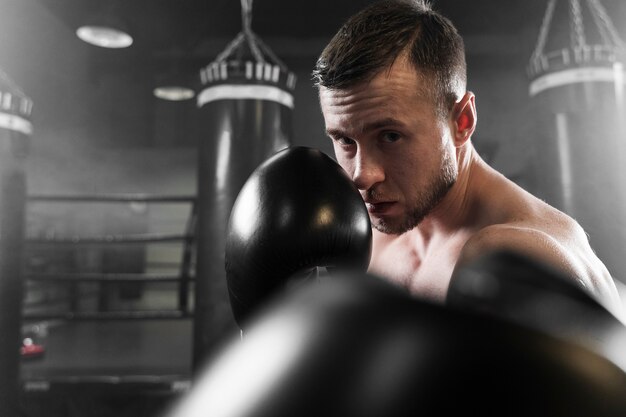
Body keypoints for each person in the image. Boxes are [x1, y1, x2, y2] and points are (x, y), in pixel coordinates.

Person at [312, 0, 623, 317]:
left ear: (462, 121)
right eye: (345, 140)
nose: (363, 176)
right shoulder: (366, 241)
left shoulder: (525, 258)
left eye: (390, 136)